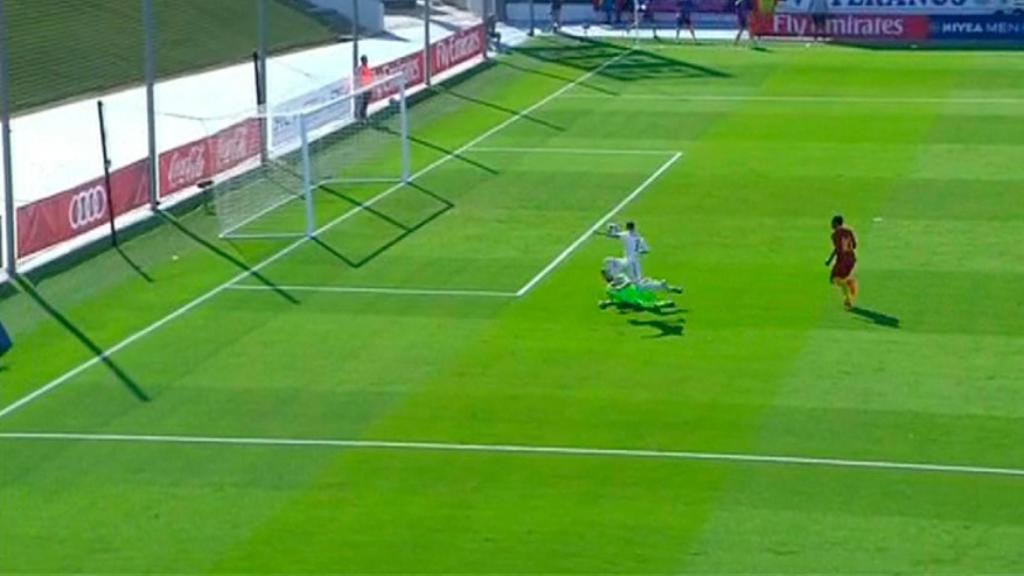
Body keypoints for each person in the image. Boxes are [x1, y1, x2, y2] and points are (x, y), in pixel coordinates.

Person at [599, 257, 681, 310]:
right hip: (635, 296)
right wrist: (606, 303)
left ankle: (666, 292)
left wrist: (621, 288)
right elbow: (617, 301)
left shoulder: (618, 278)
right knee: (645, 300)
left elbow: (628, 282)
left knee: (643, 295)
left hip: (637, 291)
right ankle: (667, 296)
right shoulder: (610, 288)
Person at [825, 215, 859, 310]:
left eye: (832, 223)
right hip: (851, 259)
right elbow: (854, 245)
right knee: (839, 278)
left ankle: (848, 299)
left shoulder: (835, 235)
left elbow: (838, 249)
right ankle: (849, 286)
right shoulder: (849, 231)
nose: (831, 225)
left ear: (836, 223)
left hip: (843, 260)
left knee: (834, 279)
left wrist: (830, 260)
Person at [356, 55, 374, 122]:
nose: (366, 61)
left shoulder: (367, 68)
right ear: (362, 61)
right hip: (365, 88)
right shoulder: (361, 69)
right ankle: (362, 117)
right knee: (363, 103)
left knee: (366, 103)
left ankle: (365, 116)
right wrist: (362, 86)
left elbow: (370, 76)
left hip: (369, 87)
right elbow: (360, 78)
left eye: (366, 59)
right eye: (365, 60)